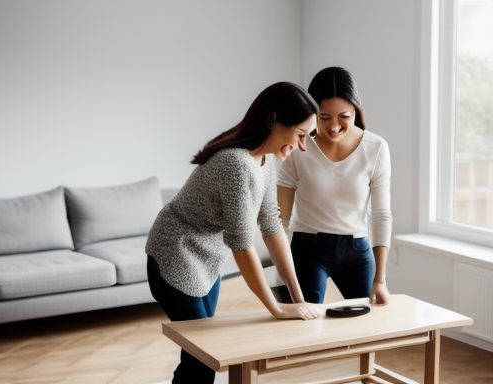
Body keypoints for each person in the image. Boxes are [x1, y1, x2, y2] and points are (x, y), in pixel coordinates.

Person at [146, 82, 319, 384]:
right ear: (272, 121)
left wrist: (297, 297)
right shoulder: (236, 163)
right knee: (203, 357)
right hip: (175, 255)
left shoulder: (264, 161)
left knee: (199, 356)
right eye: (301, 135)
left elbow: (272, 226)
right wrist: (276, 308)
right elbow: (241, 243)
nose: (302, 146)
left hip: (207, 261)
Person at [277, 67, 392, 306]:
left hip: (358, 250)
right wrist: (281, 270)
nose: (334, 127)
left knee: (365, 328)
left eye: (344, 117)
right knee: (306, 325)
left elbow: (381, 215)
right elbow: (280, 219)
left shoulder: (376, 147)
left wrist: (380, 280)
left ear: (356, 110)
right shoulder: (298, 147)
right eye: (324, 117)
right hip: (308, 249)